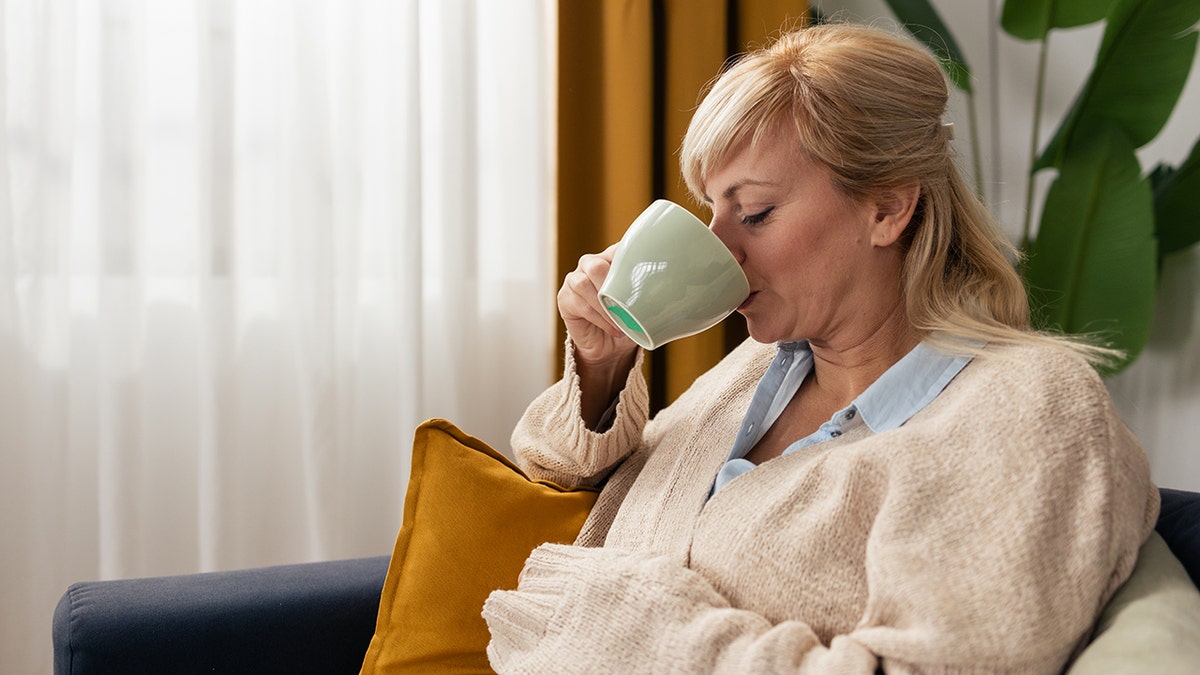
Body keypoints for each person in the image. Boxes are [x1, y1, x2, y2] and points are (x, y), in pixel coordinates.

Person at [482, 22, 1158, 674]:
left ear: (888, 207)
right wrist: (603, 363)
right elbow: (561, 476)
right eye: (711, 209)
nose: (720, 244)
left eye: (754, 213)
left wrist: (624, 630)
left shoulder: (1026, 412)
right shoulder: (760, 370)